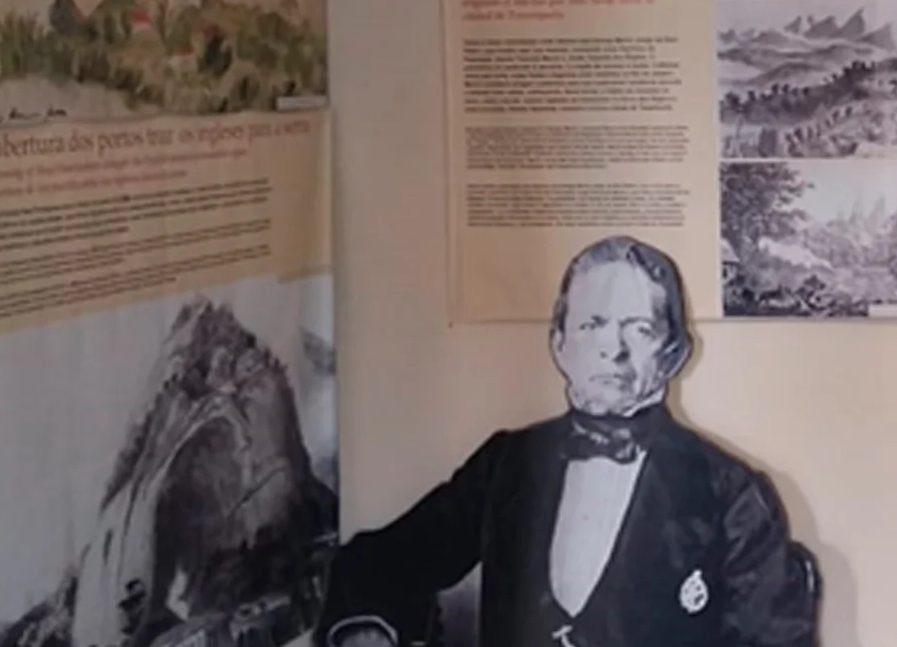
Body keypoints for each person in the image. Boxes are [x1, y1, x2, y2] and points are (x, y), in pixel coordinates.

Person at [317, 237, 820, 647]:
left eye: (639, 329)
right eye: (592, 325)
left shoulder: (729, 493)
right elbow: (378, 565)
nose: (613, 349)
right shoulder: (508, 463)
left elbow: (775, 640)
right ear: (559, 343)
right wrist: (367, 630)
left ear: (673, 353)